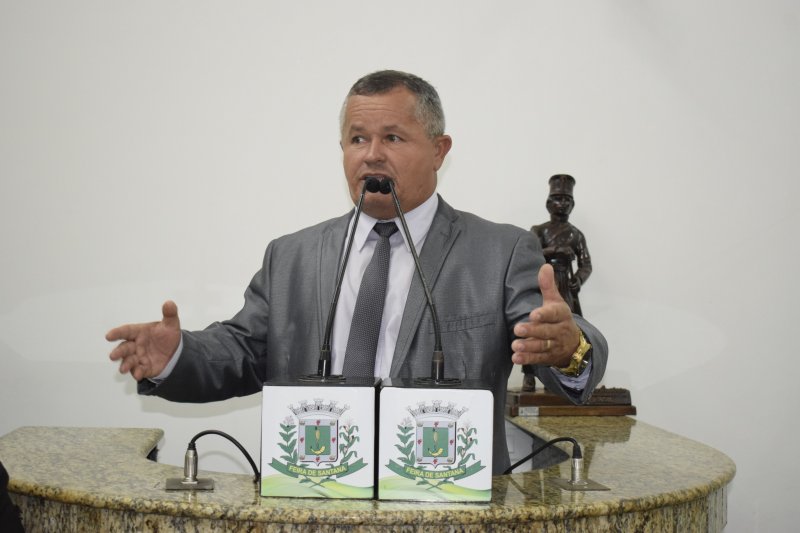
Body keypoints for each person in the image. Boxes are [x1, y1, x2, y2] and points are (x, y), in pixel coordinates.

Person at [106, 70, 608, 475]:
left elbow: (551, 338)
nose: (371, 154)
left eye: (392, 137)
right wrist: (178, 356)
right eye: (357, 139)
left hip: (448, 507)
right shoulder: (292, 256)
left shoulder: (498, 251)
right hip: (313, 497)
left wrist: (570, 349)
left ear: (439, 150)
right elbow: (243, 352)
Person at [523, 174, 593, 391]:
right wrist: (556, 250)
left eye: (566, 200)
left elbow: (586, 264)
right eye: (557, 199)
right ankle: (529, 373)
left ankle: (565, 377)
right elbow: (530, 255)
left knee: (571, 331)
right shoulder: (538, 230)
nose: (562, 204)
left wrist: (578, 279)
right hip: (543, 283)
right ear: (548, 203)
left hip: (566, 285)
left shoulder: (576, 235)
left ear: (572, 204)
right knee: (536, 328)